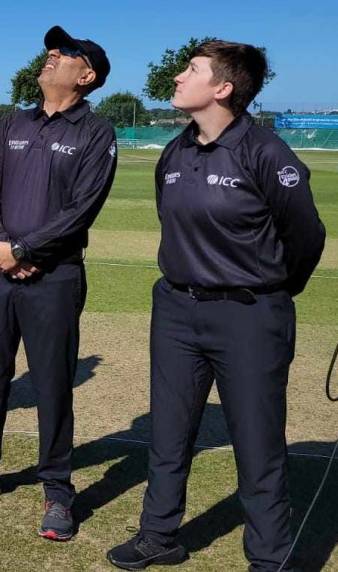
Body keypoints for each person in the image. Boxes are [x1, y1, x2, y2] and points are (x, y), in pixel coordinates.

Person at [106, 41, 325, 572]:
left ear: (223, 88)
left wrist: (268, 292)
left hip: (250, 315)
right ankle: (158, 536)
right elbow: (171, 219)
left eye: (192, 69)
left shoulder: (266, 152)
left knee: (257, 442)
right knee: (168, 432)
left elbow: (305, 237)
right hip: (177, 311)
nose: (179, 77)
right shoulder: (174, 152)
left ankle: (270, 559)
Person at [0, 26, 117, 544]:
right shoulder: (15, 121)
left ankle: (58, 489)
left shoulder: (96, 131)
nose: (51, 56)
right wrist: (3, 247)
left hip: (54, 276)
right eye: (50, 50)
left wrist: (26, 250)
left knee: (52, 383)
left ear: (87, 76)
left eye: (65, 53)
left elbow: (82, 208)